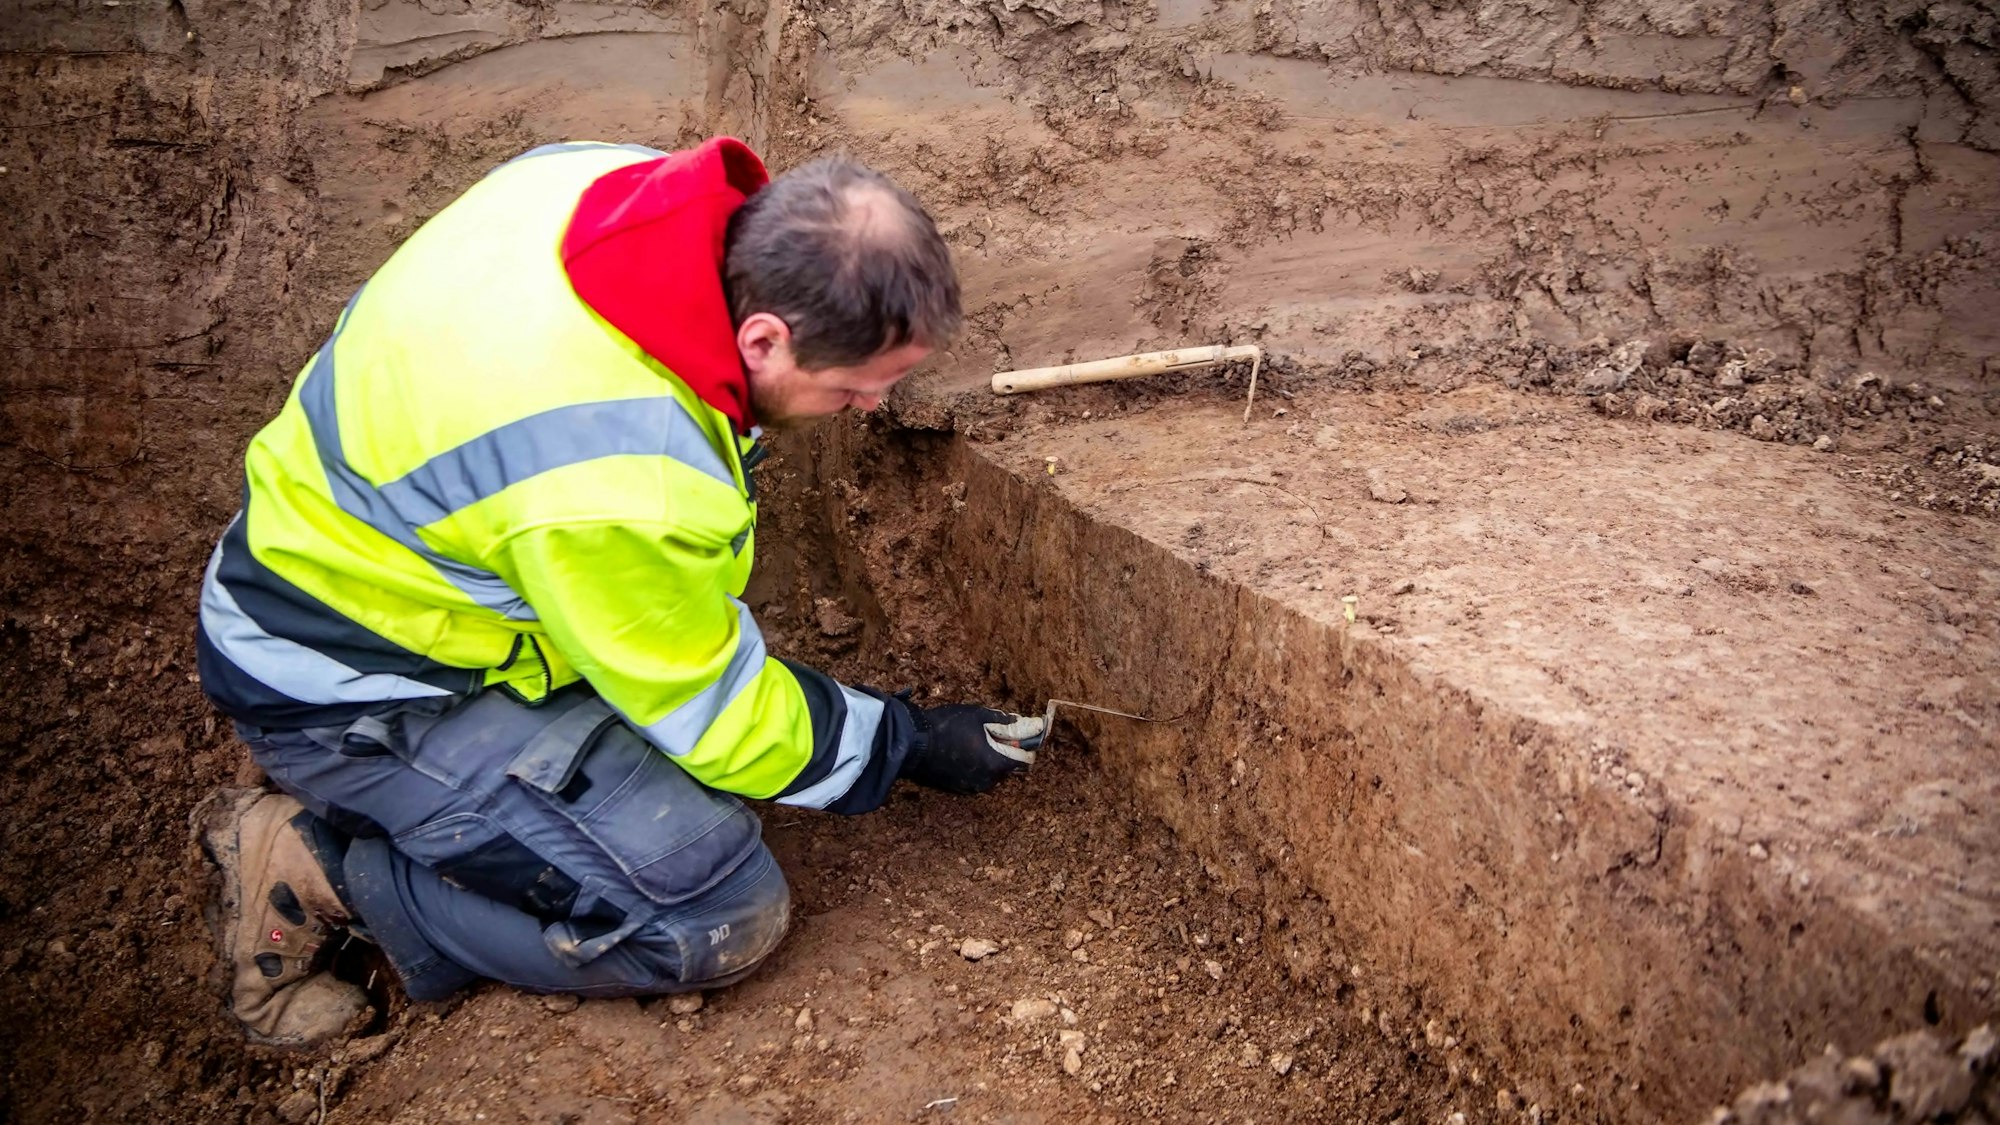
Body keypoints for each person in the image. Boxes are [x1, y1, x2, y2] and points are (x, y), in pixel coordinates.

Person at [191, 137, 1045, 1048]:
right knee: (712, 910)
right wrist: (902, 741)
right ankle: (321, 866)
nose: (871, 408)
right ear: (764, 336)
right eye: (850, 390)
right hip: (359, 686)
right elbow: (714, 713)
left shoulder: (607, 186)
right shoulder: (615, 472)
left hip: (356, 570)